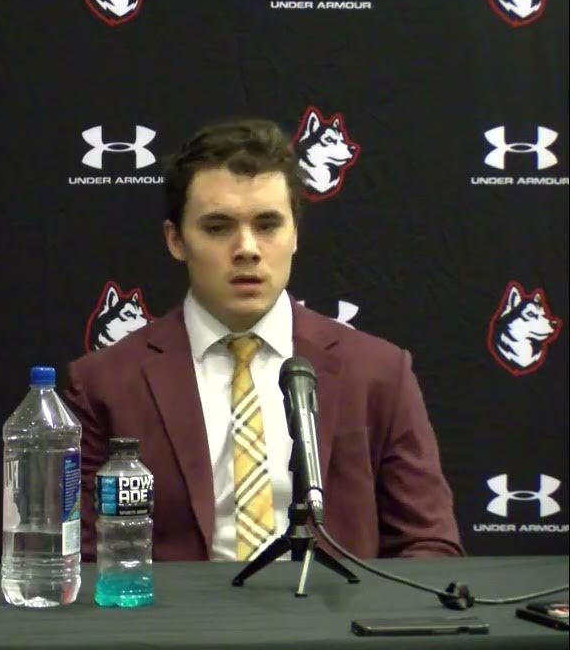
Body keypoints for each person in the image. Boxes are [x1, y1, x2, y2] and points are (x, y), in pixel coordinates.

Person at [65, 119, 463, 562]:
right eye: (218, 227)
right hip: (176, 627)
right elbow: (81, 558)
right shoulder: (105, 384)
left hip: (333, 623)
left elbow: (429, 545)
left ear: (295, 234)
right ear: (176, 240)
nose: (247, 248)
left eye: (268, 224)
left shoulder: (378, 372)